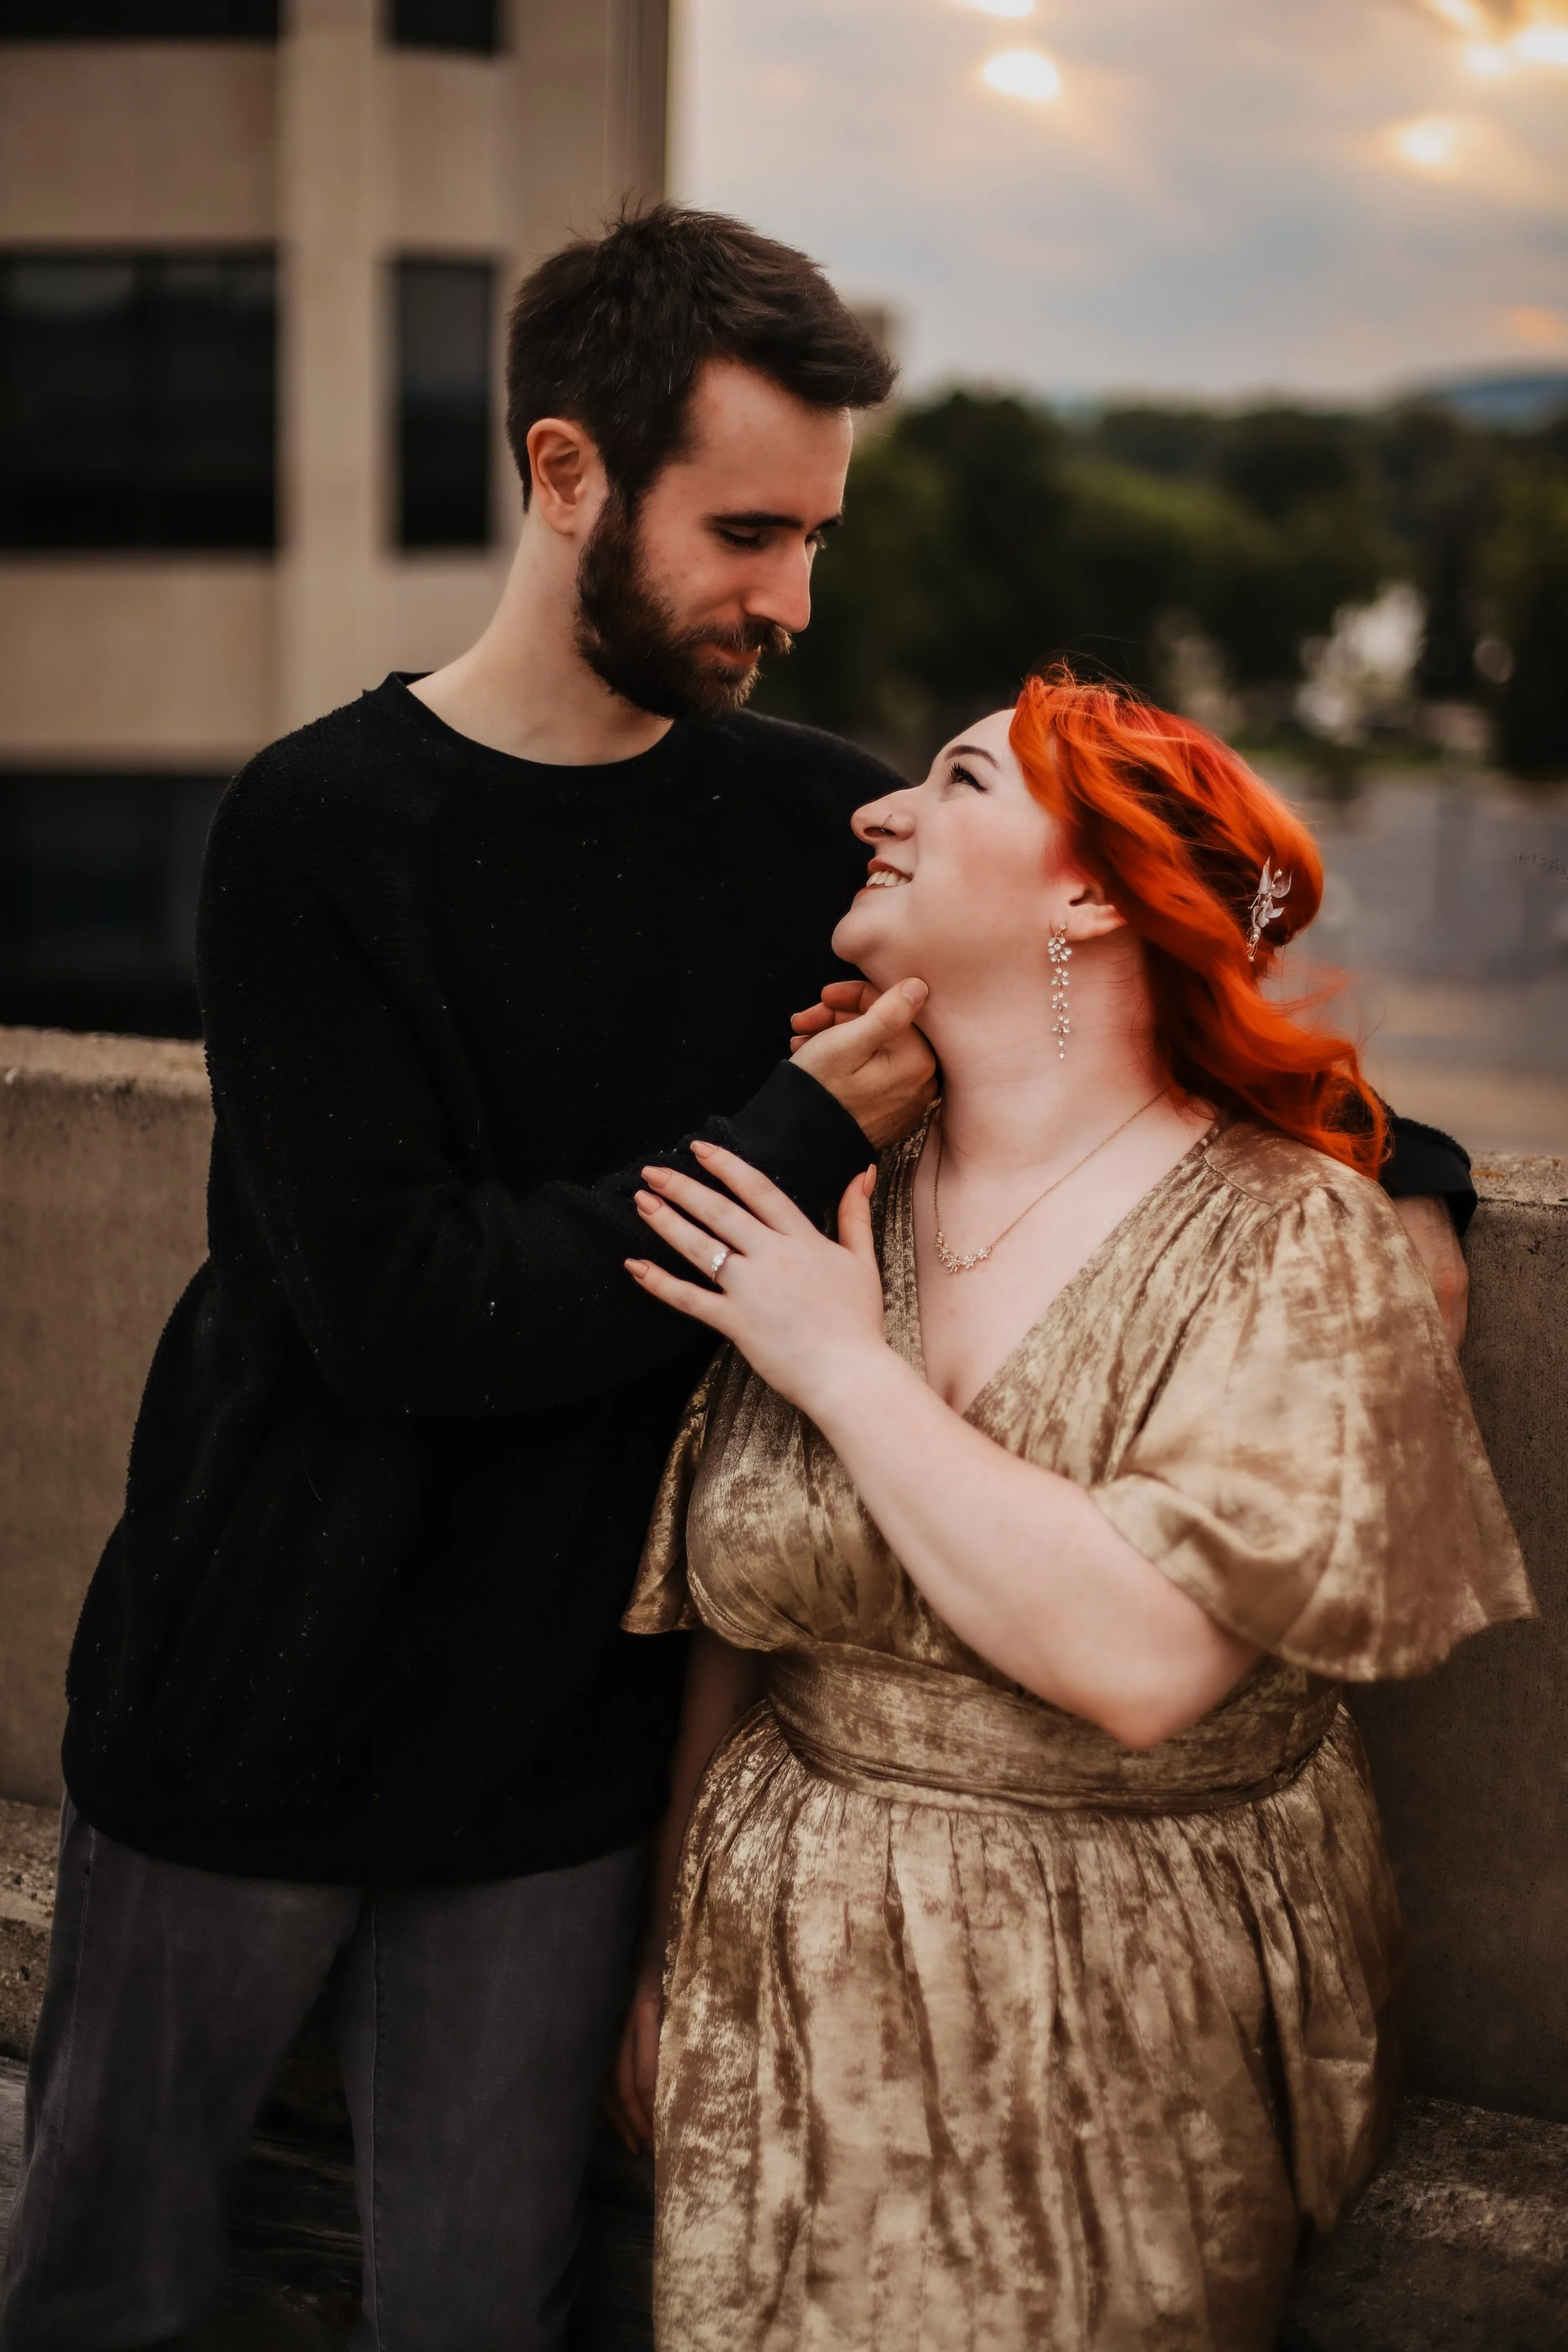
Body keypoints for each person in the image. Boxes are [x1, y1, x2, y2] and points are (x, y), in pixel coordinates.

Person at [0, 208, 936, 2351]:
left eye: (815, 537)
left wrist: (1406, 1169)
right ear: (565, 470)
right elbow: (410, 1308)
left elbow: (1133, 959)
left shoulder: (814, 824)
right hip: (249, 1706)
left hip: (558, 1755)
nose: (794, 600)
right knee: (103, 2291)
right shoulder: (316, 826)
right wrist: (801, 1134)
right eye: (747, 533)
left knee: (478, 2315)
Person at [610, 671, 1531, 2352]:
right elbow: (736, 1629)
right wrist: (673, 1960)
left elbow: (1142, 1662)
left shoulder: (1294, 1234)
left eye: (957, 780)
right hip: (774, 1985)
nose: (879, 809)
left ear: (1094, 894)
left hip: (1110, 2006)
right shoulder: (843, 1187)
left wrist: (844, 1366)